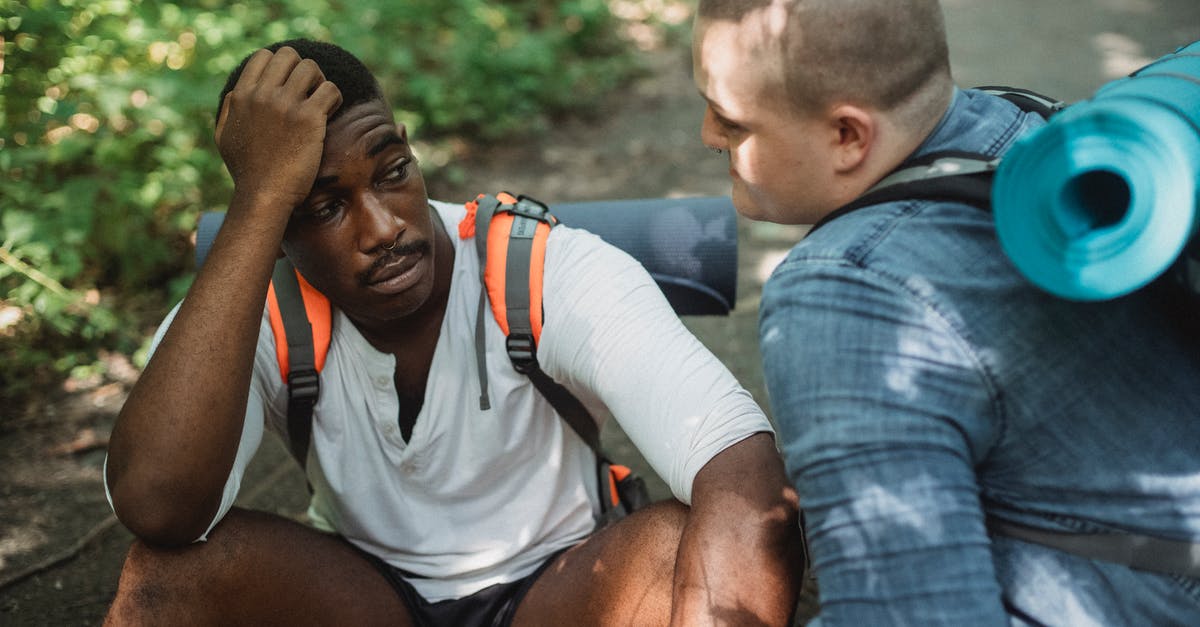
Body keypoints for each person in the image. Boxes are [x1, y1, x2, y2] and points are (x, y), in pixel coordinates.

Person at [103, 38, 804, 626]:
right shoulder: (260, 302)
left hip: (559, 588)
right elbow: (160, 507)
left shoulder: (540, 268)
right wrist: (258, 199)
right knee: (167, 578)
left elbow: (739, 466)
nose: (383, 227)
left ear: (410, 149)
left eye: (393, 172)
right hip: (367, 594)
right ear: (278, 231)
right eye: (323, 206)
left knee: (690, 535)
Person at [693, 0, 1200, 624]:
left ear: (848, 136)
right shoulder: (1025, 129)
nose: (707, 136)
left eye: (731, 121)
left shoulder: (843, 289)